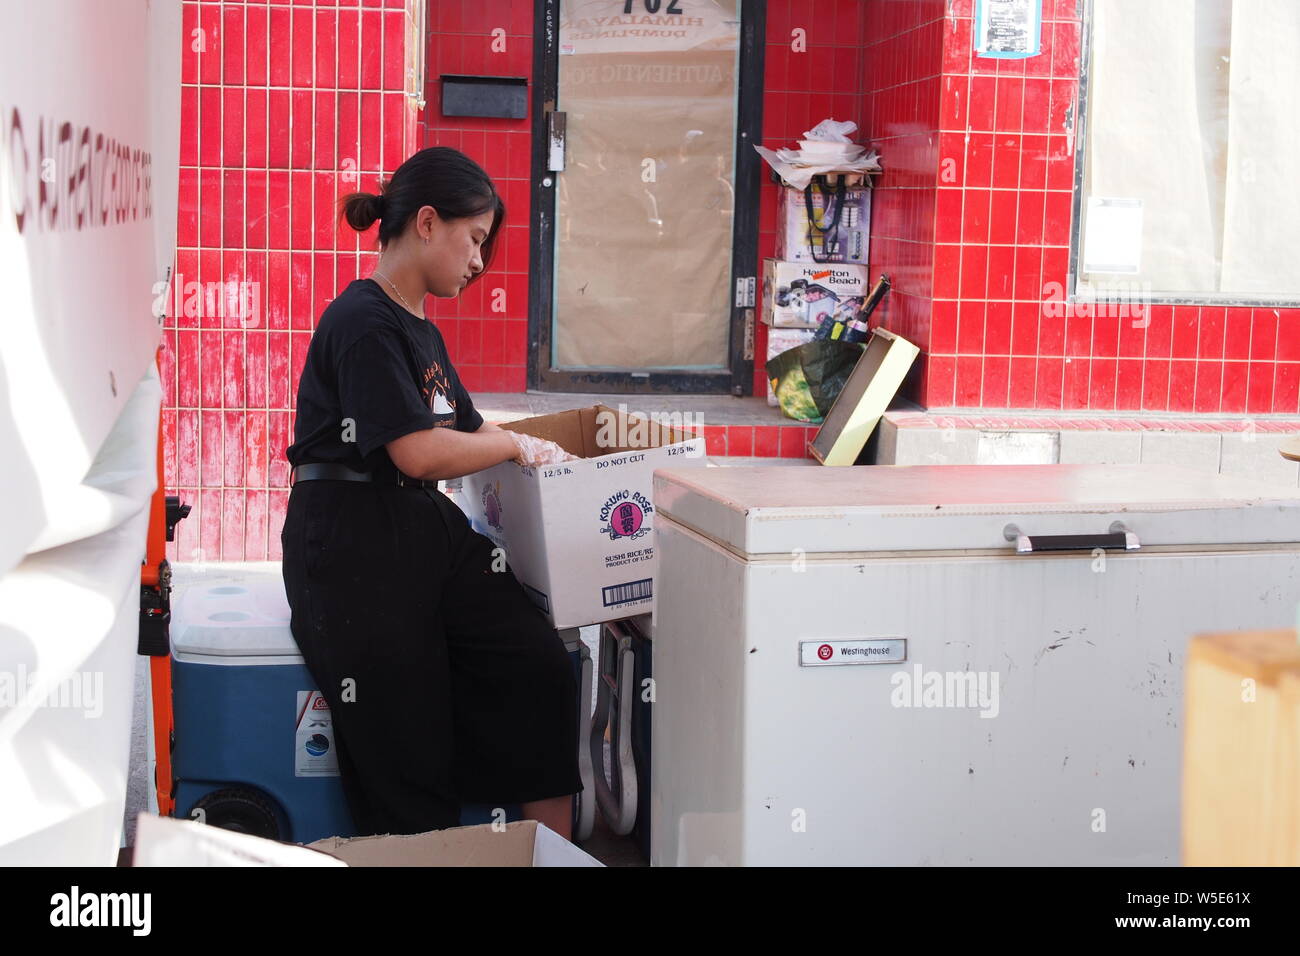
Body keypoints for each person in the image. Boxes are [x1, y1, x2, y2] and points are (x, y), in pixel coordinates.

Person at [281, 147, 581, 839]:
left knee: (537, 666)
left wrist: (553, 455)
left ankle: (551, 855)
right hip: (351, 545)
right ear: (425, 221)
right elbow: (417, 451)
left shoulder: (421, 331)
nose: (479, 262)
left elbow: (470, 429)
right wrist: (512, 445)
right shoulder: (361, 320)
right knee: (405, 745)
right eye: (474, 239)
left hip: (421, 531)